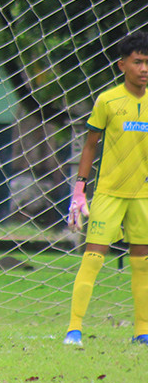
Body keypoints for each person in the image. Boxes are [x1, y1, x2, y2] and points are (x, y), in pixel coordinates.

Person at [65, 30, 148, 347]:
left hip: (143, 197)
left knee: (142, 262)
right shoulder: (107, 101)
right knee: (93, 257)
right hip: (110, 194)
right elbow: (89, 146)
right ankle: (74, 329)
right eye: (138, 62)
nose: (144, 69)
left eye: (147, 63)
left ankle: (143, 330)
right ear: (121, 65)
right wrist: (79, 189)